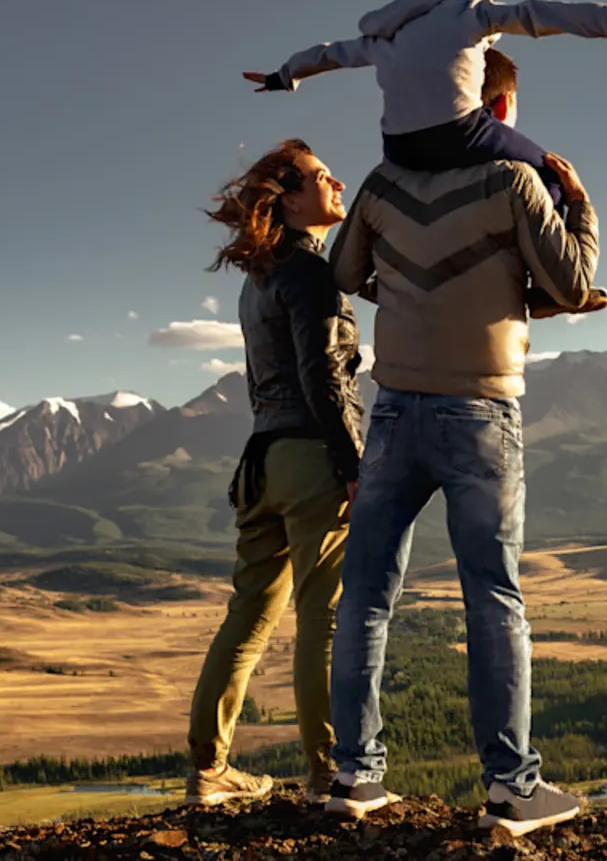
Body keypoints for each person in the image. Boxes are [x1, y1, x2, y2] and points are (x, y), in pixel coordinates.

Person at [321, 49, 596, 836]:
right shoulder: (513, 182)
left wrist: (410, 285)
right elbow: (573, 285)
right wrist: (578, 203)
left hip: (395, 412)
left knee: (367, 595)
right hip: (480, 410)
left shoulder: (378, 187)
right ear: (496, 109)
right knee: (493, 596)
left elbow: (344, 271)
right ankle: (511, 788)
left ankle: (355, 776)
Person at [240, 0, 607, 318]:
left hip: (399, 147)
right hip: (459, 130)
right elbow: (535, 15)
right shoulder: (472, 11)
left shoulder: (392, 33)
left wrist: (284, 76)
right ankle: (547, 289)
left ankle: (383, 285)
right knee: (550, 174)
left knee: (393, 201)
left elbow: (331, 54)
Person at [184, 139, 364, 808]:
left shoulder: (258, 277)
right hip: (311, 458)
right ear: (290, 200)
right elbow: (323, 374)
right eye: (322, 177)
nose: (337, 181)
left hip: (259, 461)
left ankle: (210, 768)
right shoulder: (309, 273)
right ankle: (330, 770)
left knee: (251, 616)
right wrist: (351, 464)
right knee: (327, 615)